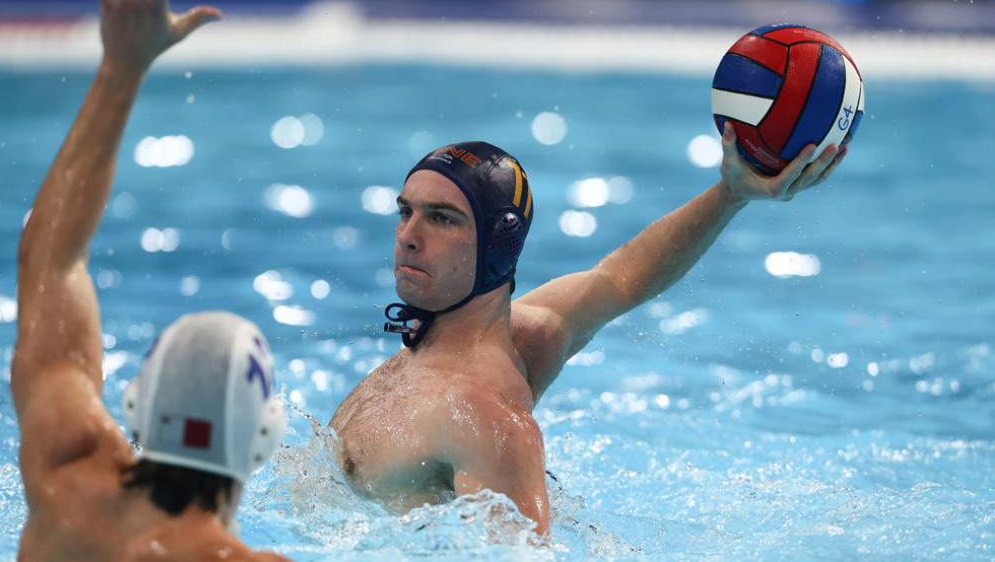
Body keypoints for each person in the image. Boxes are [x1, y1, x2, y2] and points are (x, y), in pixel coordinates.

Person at [329, 132, 846, 532]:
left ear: (498, 243)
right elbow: (619, 278)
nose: (408, 235)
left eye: (442, 219)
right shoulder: (525, 335)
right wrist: (730, 194)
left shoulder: (478, 415)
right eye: (406, 211)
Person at [10, 0, 291, 560]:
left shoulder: (63, 476)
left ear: (138, 404)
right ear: (263, 437)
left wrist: (121, 66)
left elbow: (50, 264)